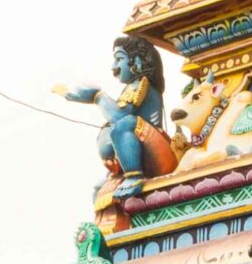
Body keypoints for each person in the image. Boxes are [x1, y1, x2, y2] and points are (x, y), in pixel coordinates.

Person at [55, 34, 178, 191]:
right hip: (134, 158)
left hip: (156, 152)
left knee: (126, 123)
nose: (114, 66)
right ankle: (125, 174)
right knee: (100, 190)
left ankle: (134, 177)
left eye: (119, 59)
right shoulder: (132, 86)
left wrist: (97, 97)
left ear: (137, 61)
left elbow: (120, 116)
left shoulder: (142, 83)